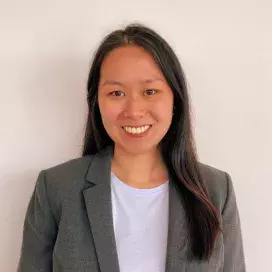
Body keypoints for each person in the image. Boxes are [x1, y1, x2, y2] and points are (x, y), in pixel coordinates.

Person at [17, 23, 246, 272]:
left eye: (150, 91)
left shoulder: (216, 190)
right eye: (116, 93)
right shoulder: (56, 189)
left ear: (175, 99)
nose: (134, 111)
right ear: (96, 102)